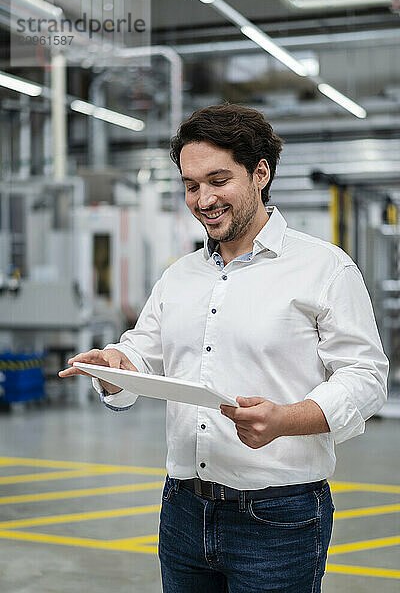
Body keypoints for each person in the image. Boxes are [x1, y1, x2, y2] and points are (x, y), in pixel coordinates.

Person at [59, 103, 389, 593]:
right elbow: (140, 356)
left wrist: (286, 419)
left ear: (260, 173)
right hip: (183, 510)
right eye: (191, 185)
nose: (203, 199)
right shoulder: (180, 275)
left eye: (218, 180)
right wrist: (112, 367)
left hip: (279, 515)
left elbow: (366, 379)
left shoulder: (324, 269)